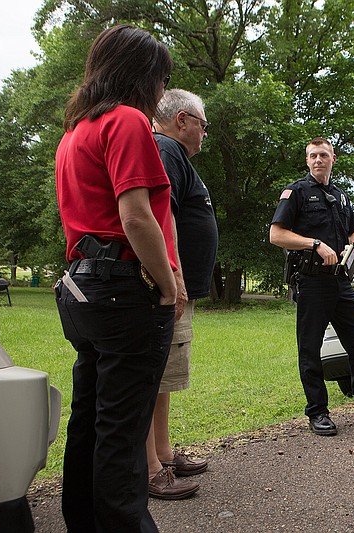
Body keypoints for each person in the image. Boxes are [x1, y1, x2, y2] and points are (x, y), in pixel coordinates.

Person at [54, 25, 177, 532]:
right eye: (161, 79)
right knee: (123, 433)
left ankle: (82, 521)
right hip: (125, 293)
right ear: (143, 75)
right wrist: (167, 283)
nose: (162, 92)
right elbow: (135, 216)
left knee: (89, 420)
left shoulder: (73, 133)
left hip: (82, 289)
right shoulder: (126, 121)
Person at [269, 137, 354, 436]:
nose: (318, 160)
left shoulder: (340, 196)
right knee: (310, 350)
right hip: (312, 283)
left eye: (323, 155)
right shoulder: (296, 193)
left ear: (333, 158)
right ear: (307, 160)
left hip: (341, 282)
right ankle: (317, 412)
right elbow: (276, 234)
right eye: (313, 156)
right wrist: (314, 244)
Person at [145, 89, 218, 499]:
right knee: (152, 374)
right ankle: (150, 467)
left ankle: (164, 451)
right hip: (170, 287)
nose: (205, 133)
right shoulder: (167, 149)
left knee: (165, 376)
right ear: (184, 120)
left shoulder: (171, 152)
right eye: (204, 125)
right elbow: (163, 212)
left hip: (175, 287)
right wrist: (176, 277)